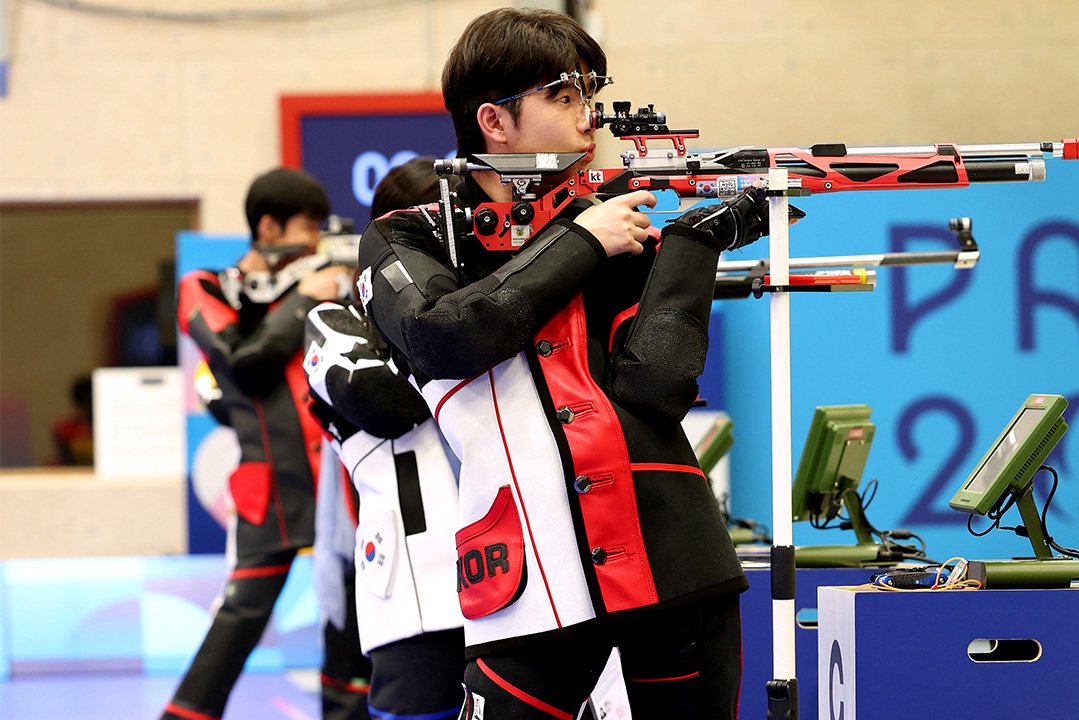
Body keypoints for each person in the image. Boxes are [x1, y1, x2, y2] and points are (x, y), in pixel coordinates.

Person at [357, 8, 781, 718]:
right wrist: (584, 242)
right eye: (564, 95)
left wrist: (693, 245)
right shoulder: (407, 236)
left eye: (591, 92)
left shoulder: (609, 216)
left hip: (671, 559)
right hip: (520, 573)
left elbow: (656, 386)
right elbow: (445, 338)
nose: (591, 117)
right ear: (494, 121)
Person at [167, 167, 370, 720]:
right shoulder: (203, 286)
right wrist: (303, 300)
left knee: (348, 619)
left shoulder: (328, 280)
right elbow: (242, 365)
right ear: (269, 226)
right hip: (270, 488)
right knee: (239, 620)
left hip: (341, 481)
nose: (312, 243)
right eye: (305, 228)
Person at [304, 157, 468, 720]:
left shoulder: (480, 307)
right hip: (413, 591)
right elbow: (381, 403)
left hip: (517, 578)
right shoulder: (336, 320)